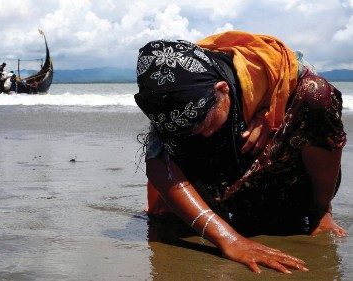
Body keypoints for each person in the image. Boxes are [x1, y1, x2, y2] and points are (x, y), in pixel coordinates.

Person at [134, 31, 346, 274]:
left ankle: (320, 211)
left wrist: (271, 111)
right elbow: (159, 164)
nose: (201, 135)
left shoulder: (282, 71)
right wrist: (229, 240)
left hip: (285, 184)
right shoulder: (172, 95)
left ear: (222, 90)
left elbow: (314, 109)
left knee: (316, 94)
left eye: (203, 124)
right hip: (224, 190)